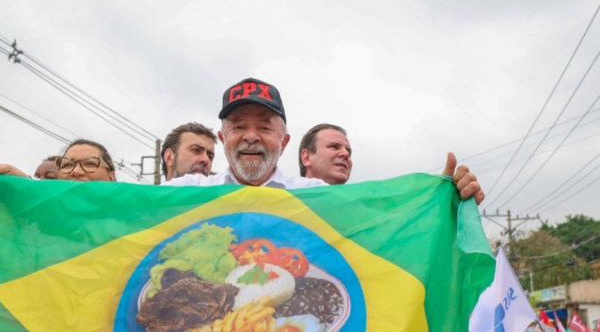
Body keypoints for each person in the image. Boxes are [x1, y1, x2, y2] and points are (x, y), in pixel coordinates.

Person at [166, 77, 485, 203]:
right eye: (238, 127)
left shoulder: (320, 198)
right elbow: (122, 210)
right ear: (224, 138)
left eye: (264, 127)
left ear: (284, 141)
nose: (251, 136)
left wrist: (443, 200)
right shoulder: (183, 194)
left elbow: (385, 222)